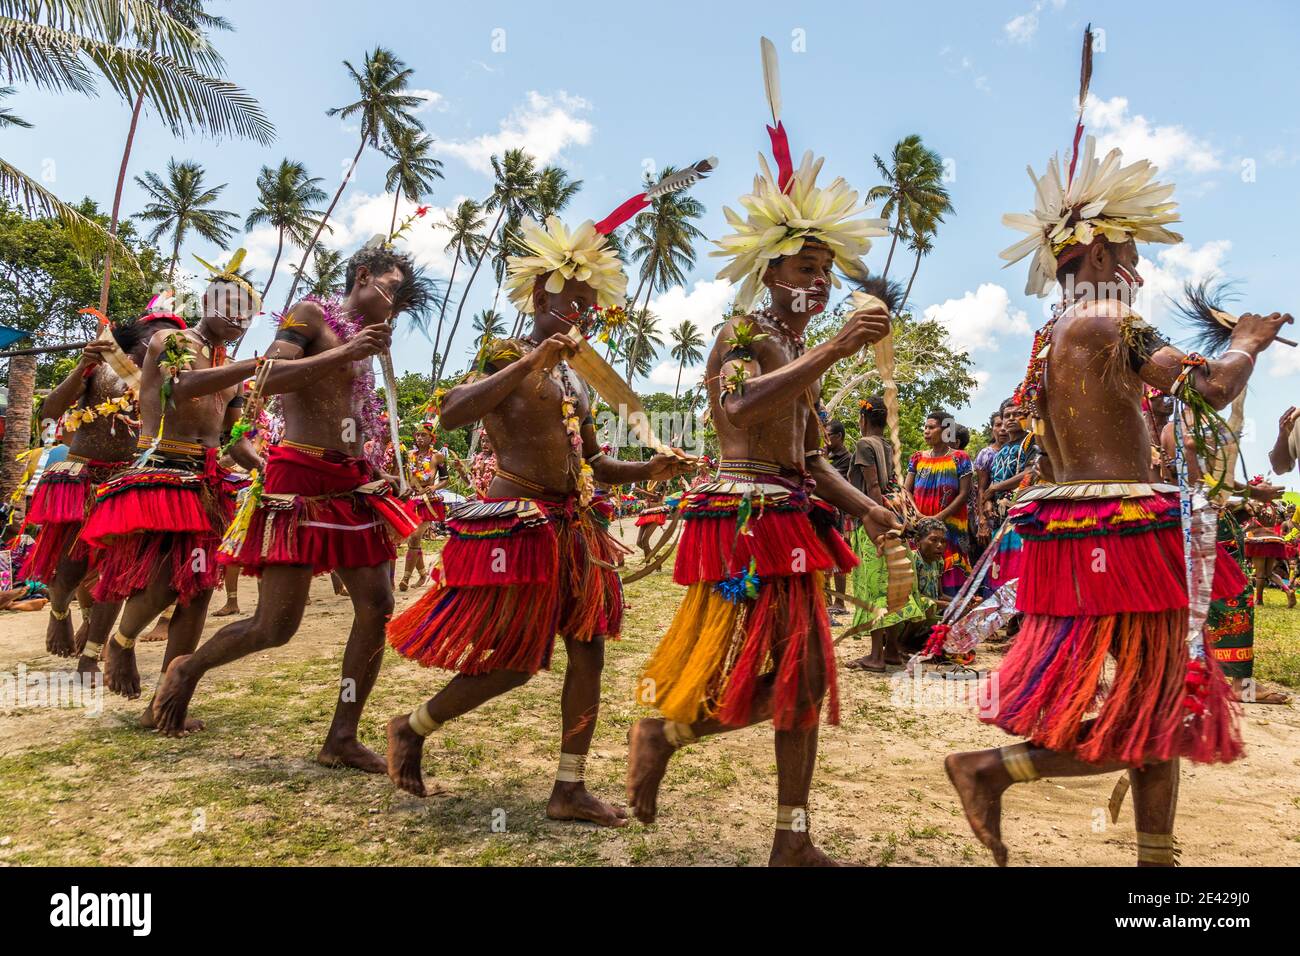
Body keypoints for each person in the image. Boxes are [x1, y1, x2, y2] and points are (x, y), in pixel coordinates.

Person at [945, 115, 1289, 865]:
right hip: (1122, 536)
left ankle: (1155, 866)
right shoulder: (1108, 318)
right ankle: (991, 771)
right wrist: (1247, 342)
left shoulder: (1057, 331)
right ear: (1099, 250)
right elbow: (1215, 390)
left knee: (1158, 702)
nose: (1137, 271)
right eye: (1130, 255)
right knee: (1157, 712)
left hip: (1087, 532)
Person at [624, 118, 898, 864]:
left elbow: (812, 460)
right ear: (771, 274)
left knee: (804, 681)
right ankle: (664, 731)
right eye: (806, 268)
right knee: (787, 675)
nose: (821, 282)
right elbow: (740, 410)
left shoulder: (800, 351)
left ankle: (790, 840)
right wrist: (840, 347)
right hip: (746, 519)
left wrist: (873, 511)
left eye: (827, 271)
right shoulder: (743, 335)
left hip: (789, 514)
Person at [383, 200, 691, 825]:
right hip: (517, 522)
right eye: (567, 299)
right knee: (515, 663)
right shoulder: (504, 353)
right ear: (539, 295)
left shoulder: (578, 380)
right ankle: (412, 726)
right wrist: (533, 361)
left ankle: (568, 787)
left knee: (590, 650)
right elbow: (452, 413)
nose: (578, 313)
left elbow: (596, 464)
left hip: (575, 527)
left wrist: (652, 470)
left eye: (586, 303)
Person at [150, 244, 432, 773]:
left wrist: (376, 462)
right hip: (298, 479)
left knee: (378, 605)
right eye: (389, 292)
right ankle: (188, 670)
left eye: (398, 305)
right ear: (362, 275)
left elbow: (351, 417)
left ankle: (341, 738)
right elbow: (265, 381)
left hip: (352, 484)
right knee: (274, 627)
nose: (390, 309)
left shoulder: (364, 345)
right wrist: (341, 356)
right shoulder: (310, 315)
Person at [78, 258, 265, 719]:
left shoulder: (228, 370)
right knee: (164, 579)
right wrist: (254, 365)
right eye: (232, 307)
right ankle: (119, 642)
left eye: (248, 312)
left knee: (199, 588)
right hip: (161, 470)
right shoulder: (172, 341)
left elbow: (232, 437)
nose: (239, 319)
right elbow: (180, 389)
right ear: (207, 302)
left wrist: (265, 468)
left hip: (206, 480)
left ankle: (166, 702)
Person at [27, 310, 185, 662]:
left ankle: (92, 653)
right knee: (69, 571)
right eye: (161, 335)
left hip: (129, 484)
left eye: (178, 339)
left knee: (118, 573)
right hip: (81, 478)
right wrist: (80, 368)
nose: (169, 343)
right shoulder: (100, 367)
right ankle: (58, 612)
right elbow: (50, 413)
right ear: (141, 338)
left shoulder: (173, 381)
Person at [846, 517, 948, 670]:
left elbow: (873, 503)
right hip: (894, 529)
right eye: (934, 540)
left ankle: (877, 656)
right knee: (891, 591)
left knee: (878, 591)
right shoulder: (918, 557)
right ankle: (892, 650)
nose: (940, 545)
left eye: (942, 541)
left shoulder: (938, 562)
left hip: (878, 529)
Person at [905, 409, 973, 596]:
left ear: (946, 430)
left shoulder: (960, 458)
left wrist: (939, 517)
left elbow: (964, 493)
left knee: (950, 565)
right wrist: (918, 515)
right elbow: (906, 490)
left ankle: (949, 615)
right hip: (921, 525)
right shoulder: (917, 457)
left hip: (950, 526)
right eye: (925, 427)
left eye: (931, 427)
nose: (926, 431)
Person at [398, 420, 447, 592]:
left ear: (431, 438)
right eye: (417, 435)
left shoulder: (437, 456)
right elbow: (407, 476)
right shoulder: (410, 455)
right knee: (413, 538)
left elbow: (445, 479)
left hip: (429, 502)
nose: (419, 438)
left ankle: (405, 578)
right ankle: (423, 574)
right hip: (412, 499)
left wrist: (434, 487)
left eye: (423, 435)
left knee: (415, 536)